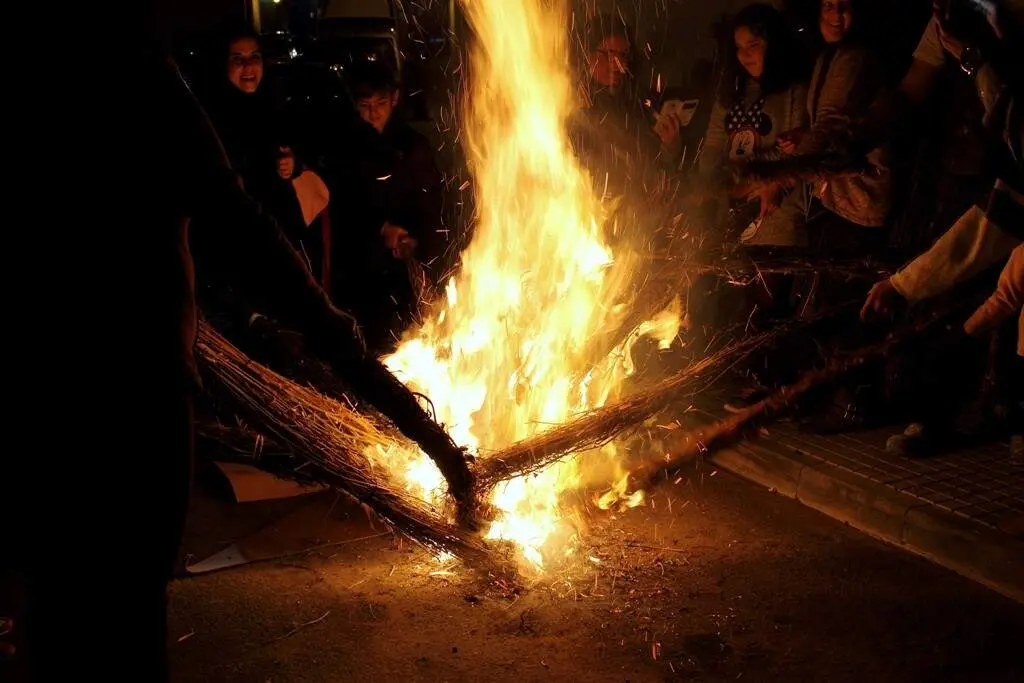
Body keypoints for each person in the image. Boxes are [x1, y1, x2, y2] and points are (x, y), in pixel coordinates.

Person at [8, 20, 442, 680]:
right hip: (132, 381)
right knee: (119, 603)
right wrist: (330, 329)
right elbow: (240, 224)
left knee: (70, 604)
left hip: (95, 373)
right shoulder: (144, 83)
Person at [860, 0, 1023, 454]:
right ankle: (952, 410)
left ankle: (1000, 409)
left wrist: (975, 61)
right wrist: (856, 137)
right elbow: (993, 221)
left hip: (997, 175)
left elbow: (997, 217)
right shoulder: (952, 16)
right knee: (993, 298)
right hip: (980, 176)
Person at [328, 60, 445, 353]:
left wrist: (419, 238)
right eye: (365, 104)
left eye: (381, 103)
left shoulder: (413, 145)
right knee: (369, 342)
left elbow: (430, 200)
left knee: (412, 336)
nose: (374, 112)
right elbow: (341, 204)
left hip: (405, 265)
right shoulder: (344, 148)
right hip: (361, 269)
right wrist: (380, 228)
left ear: (394, 98)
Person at [693, 3, 810, 247]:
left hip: (775, 223)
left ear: (773, 44)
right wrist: (710, 186)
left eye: (753, 45)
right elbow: (713, 144)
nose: (744, 55)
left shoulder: (793, 91)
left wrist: (754, 182)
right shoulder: (730, 90)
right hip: (725, 219)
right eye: (739, 48)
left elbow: (792, 153)